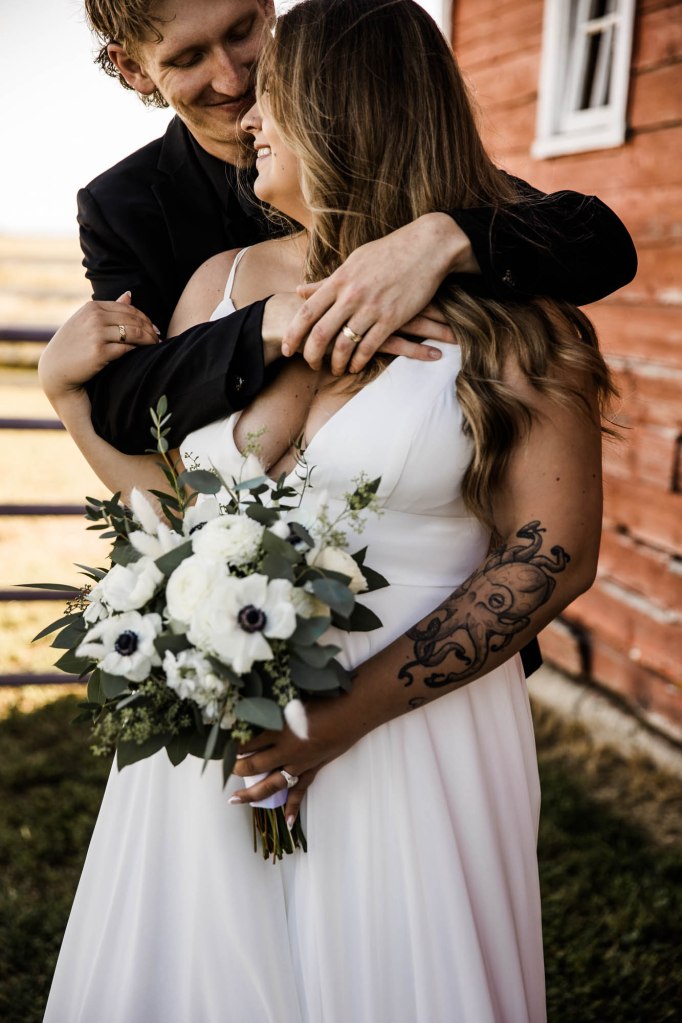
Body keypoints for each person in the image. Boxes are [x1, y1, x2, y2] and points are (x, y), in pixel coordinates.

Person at [41, 1, 616, 1019]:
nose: (245, 106)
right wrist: (63, 396)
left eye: (271, 82)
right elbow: (173, 511)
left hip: (416, 733)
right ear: (136, 70)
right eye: (192, 62)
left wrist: (335, 723)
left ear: (349, 112)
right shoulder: (211, 278)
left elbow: (554, 552)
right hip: (219, 737)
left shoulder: (514, 309)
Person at [77, 0, 636, 455]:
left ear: (267, 8)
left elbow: (601, 246)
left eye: (241, 31)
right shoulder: (121, 206)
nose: (232, 78)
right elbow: (126, 402)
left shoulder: (370, 139)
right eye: (189, 57)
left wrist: (442, 238)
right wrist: (269, 320)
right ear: (133, 68)